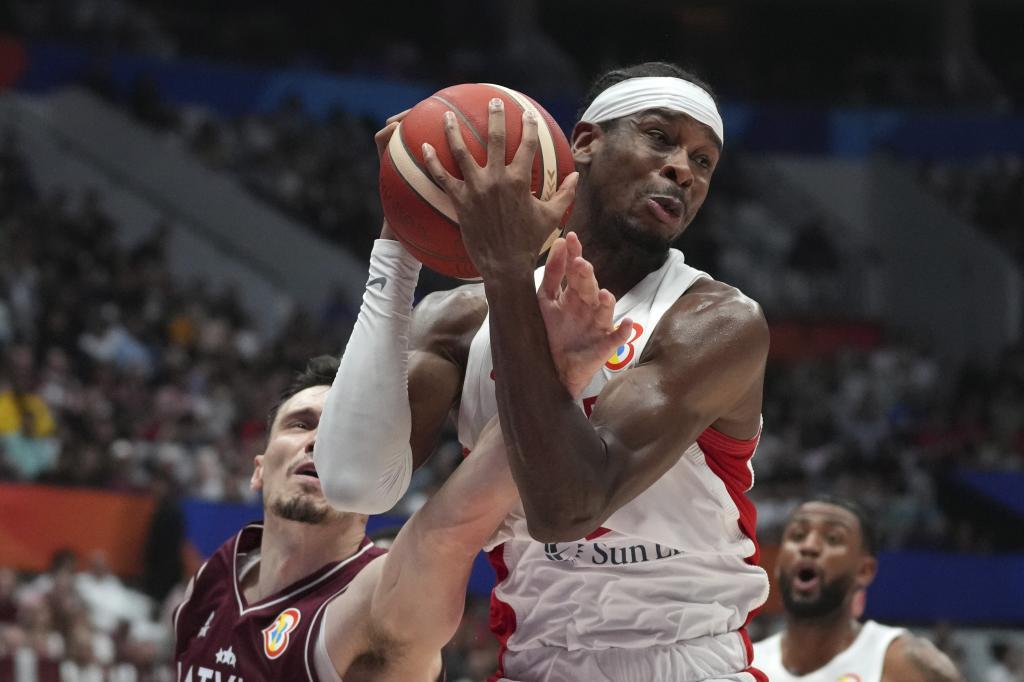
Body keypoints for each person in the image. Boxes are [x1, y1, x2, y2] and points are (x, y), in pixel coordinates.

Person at [317, 61, 770, 681]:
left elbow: (568, 508)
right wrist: (398, 242)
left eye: (703, 161)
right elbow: (354, 485)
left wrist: (507, 274)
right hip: (535, 661)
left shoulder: (714, 323)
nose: (682, 171)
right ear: (584, 142)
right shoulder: (460, 319)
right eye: (659, 137)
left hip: (684, 662)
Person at [173, 248, 627, 680]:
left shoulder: (379, 601)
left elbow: (446, 533)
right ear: (258, 467)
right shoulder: (213, 580)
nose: (317, 443)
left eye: (335, 433)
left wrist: (550, 377)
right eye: (300, 424)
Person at [753, 498, 963, 681]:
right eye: (798, 535)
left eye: (833, 538)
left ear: (864, 571)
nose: (809, 546)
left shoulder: (906, 663)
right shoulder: (748, 666)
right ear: (778, 563)